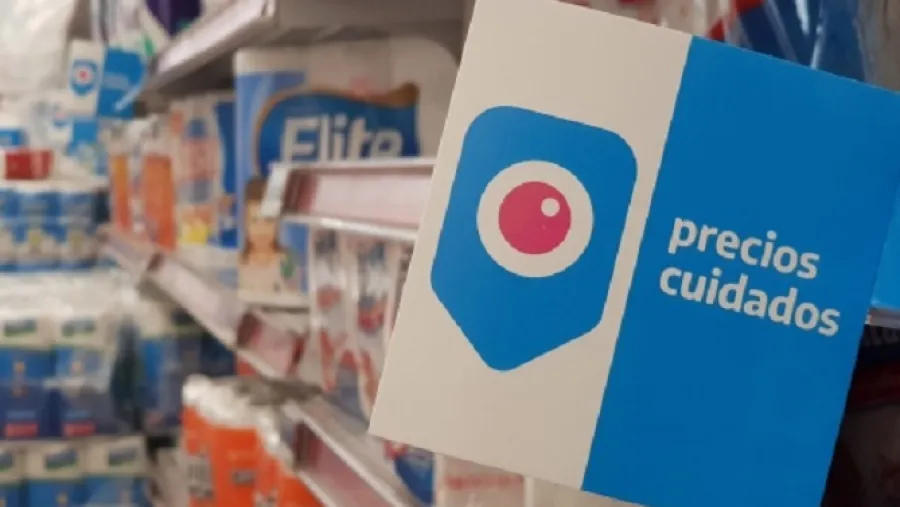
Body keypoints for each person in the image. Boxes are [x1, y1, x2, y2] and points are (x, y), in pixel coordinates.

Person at [239, 178, 287, 293]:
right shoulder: (238, 263)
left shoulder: (287, 263)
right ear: (245, 223)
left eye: (268, 221)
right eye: (254, 221)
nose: (261, 230)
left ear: (278, 223)